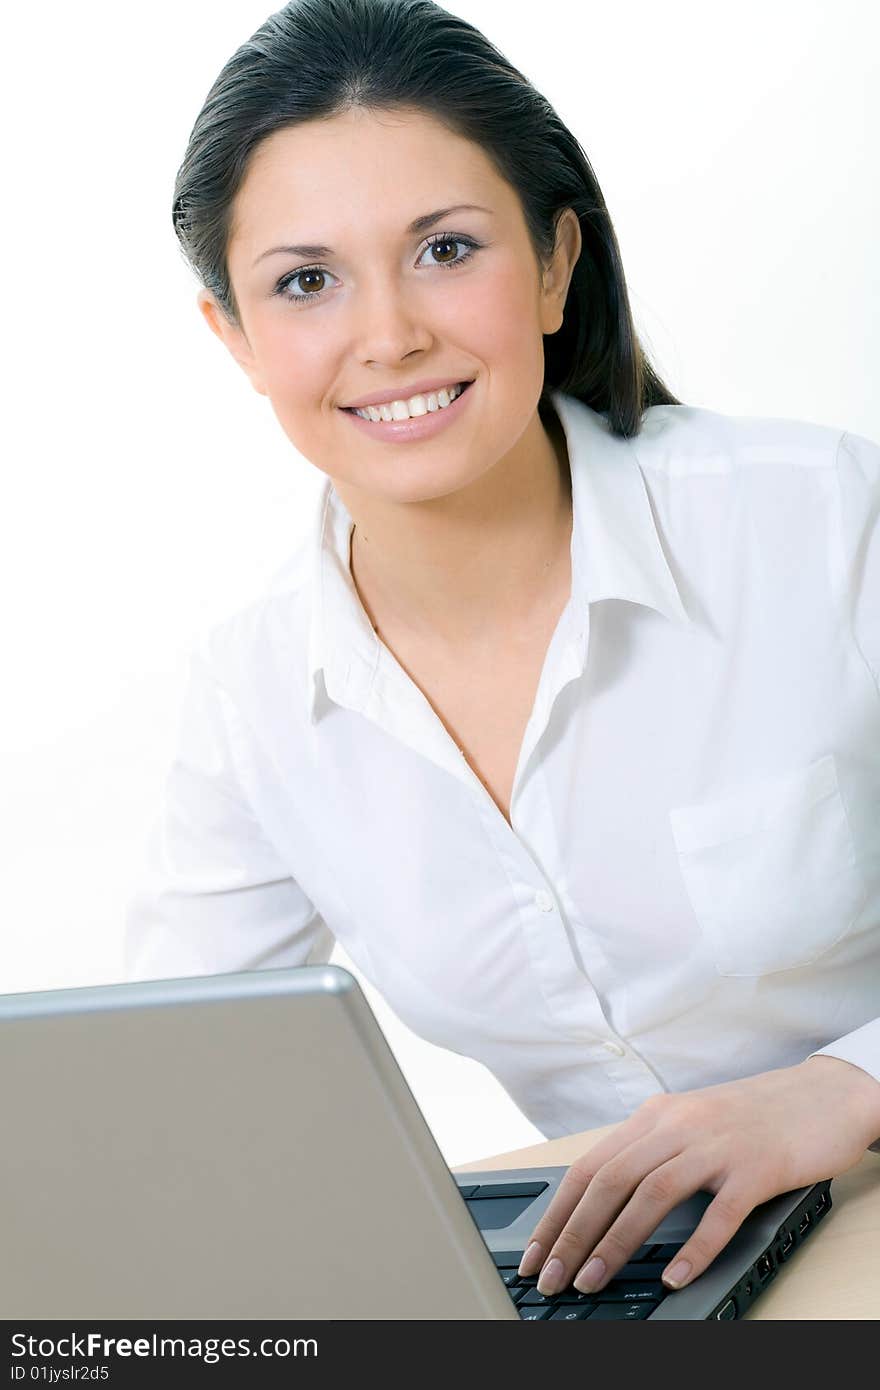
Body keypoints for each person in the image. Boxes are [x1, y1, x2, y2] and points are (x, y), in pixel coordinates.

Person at [125, 0, 880, 1303]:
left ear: (550, 261)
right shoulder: (254, 695)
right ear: (236, 340)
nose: (389, 335)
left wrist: (846, 1085)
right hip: (625, 1289)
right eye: (307, 281)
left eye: (445, 249)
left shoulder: (816, 518)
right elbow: (164, 1098)